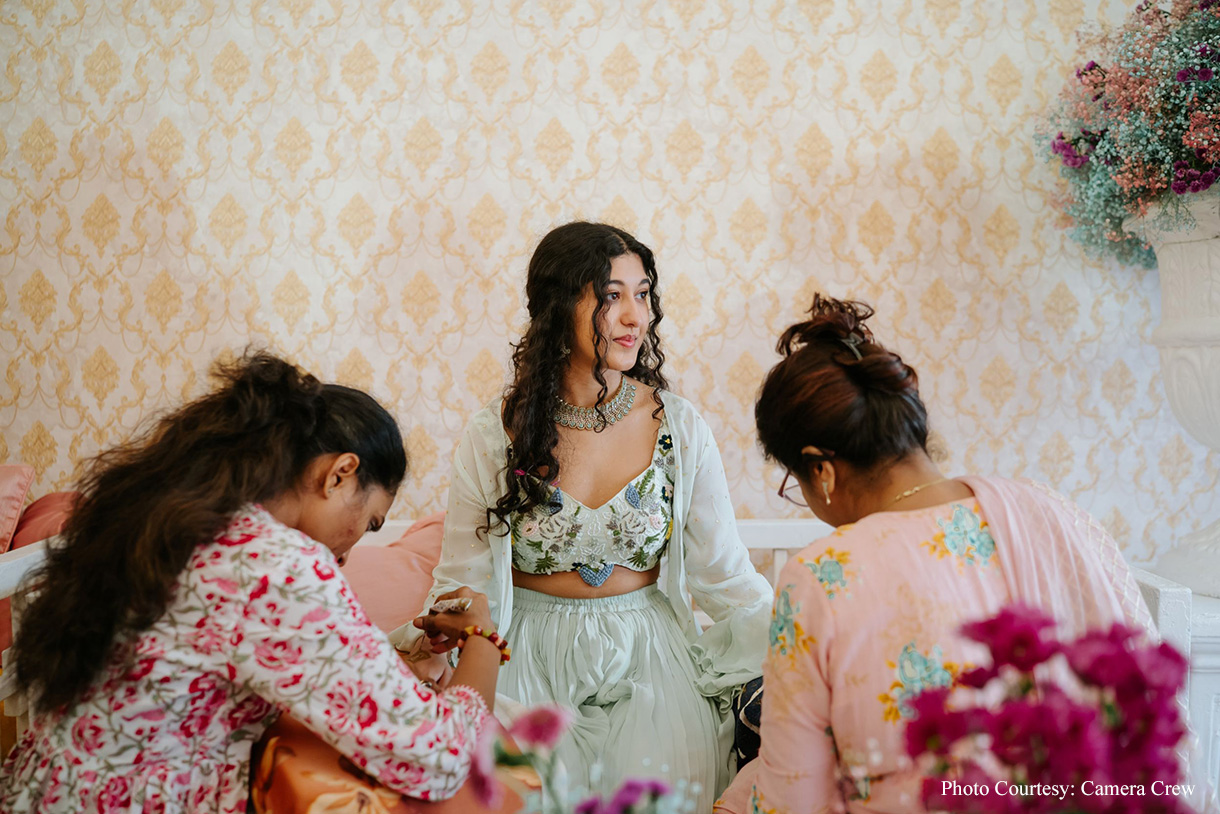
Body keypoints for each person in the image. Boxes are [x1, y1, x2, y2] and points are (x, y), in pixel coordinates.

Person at [0, 352, 505, 814]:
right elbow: (440, 756)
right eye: (370, 522)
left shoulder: (184, 519)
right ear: (339, 475)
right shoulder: (274, 564)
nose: (348, 554)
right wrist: (482, 637)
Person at [715, 295, 1156, 814]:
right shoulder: (1052, 512)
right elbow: (1142, 694)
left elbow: (792, 799)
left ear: (821, 469)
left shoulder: (820, 576)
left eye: (796, 482)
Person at [391, 221, 773, 808]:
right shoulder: (495, 433)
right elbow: (465, 577)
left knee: (665, 791)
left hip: (650, 657)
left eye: (642, 294)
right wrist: (422, 653)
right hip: (527, 658)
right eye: (611, 296)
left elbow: (725, 574)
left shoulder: (678, 426)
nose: (635, 316)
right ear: (558, 306)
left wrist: (802, 645)